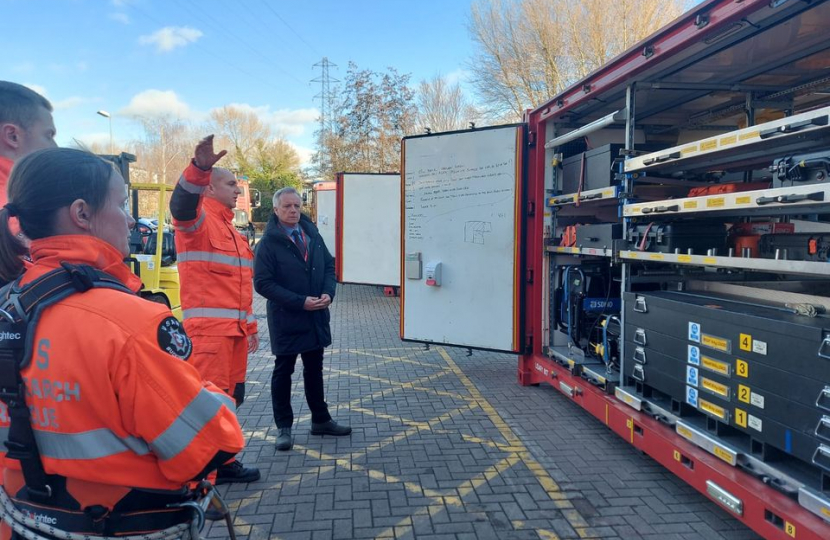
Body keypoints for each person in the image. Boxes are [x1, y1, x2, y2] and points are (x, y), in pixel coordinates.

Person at [0, 148, 244, 539]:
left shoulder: (10, 305)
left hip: (24, 521)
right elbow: (208, 447)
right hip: (124, 522)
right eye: (119, 203)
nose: (130, 218)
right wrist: (207, 392)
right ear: (82, 214)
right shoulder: (130, 323)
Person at [170, 135, 260, 484]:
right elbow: (180, 208)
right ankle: (200, 480)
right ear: (208, 189)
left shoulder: (230, 229)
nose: (238, 190)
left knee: (230, 399)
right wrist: (199, 170)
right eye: (231, 184)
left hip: (234, 336)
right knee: (208, 404)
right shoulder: (198, 223)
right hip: (209, 338)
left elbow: (237, 290)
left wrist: (249, 327)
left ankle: (224, 462)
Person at [254, 186, 351, 452]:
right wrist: (300, 302)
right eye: (287, 206)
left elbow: (329, 266)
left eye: (297, 205)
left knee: (315, 369)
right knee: (283, 372)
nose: (293, 210)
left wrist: (328, 293)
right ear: (276, 210)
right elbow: (263, 284)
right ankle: (283, 428)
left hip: (316, 315)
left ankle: (320, 420)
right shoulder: (268, 244)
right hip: (287, 318)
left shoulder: (312, 233)